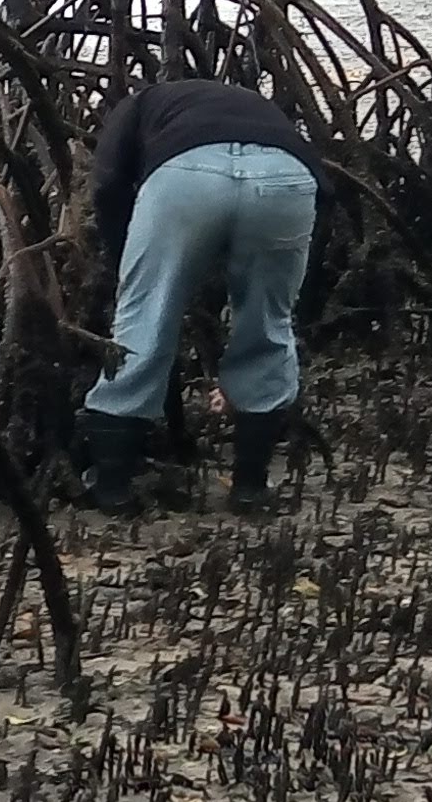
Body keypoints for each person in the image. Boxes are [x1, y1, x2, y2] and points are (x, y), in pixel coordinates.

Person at [79, 71, 322, 514]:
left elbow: (108, 185)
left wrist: (124, 263)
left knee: (144, 321)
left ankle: (112, 488)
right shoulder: (255, 105)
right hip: (287, 177)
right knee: (269, 325)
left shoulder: (137, 103)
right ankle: (250, 487)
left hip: (184, 179)